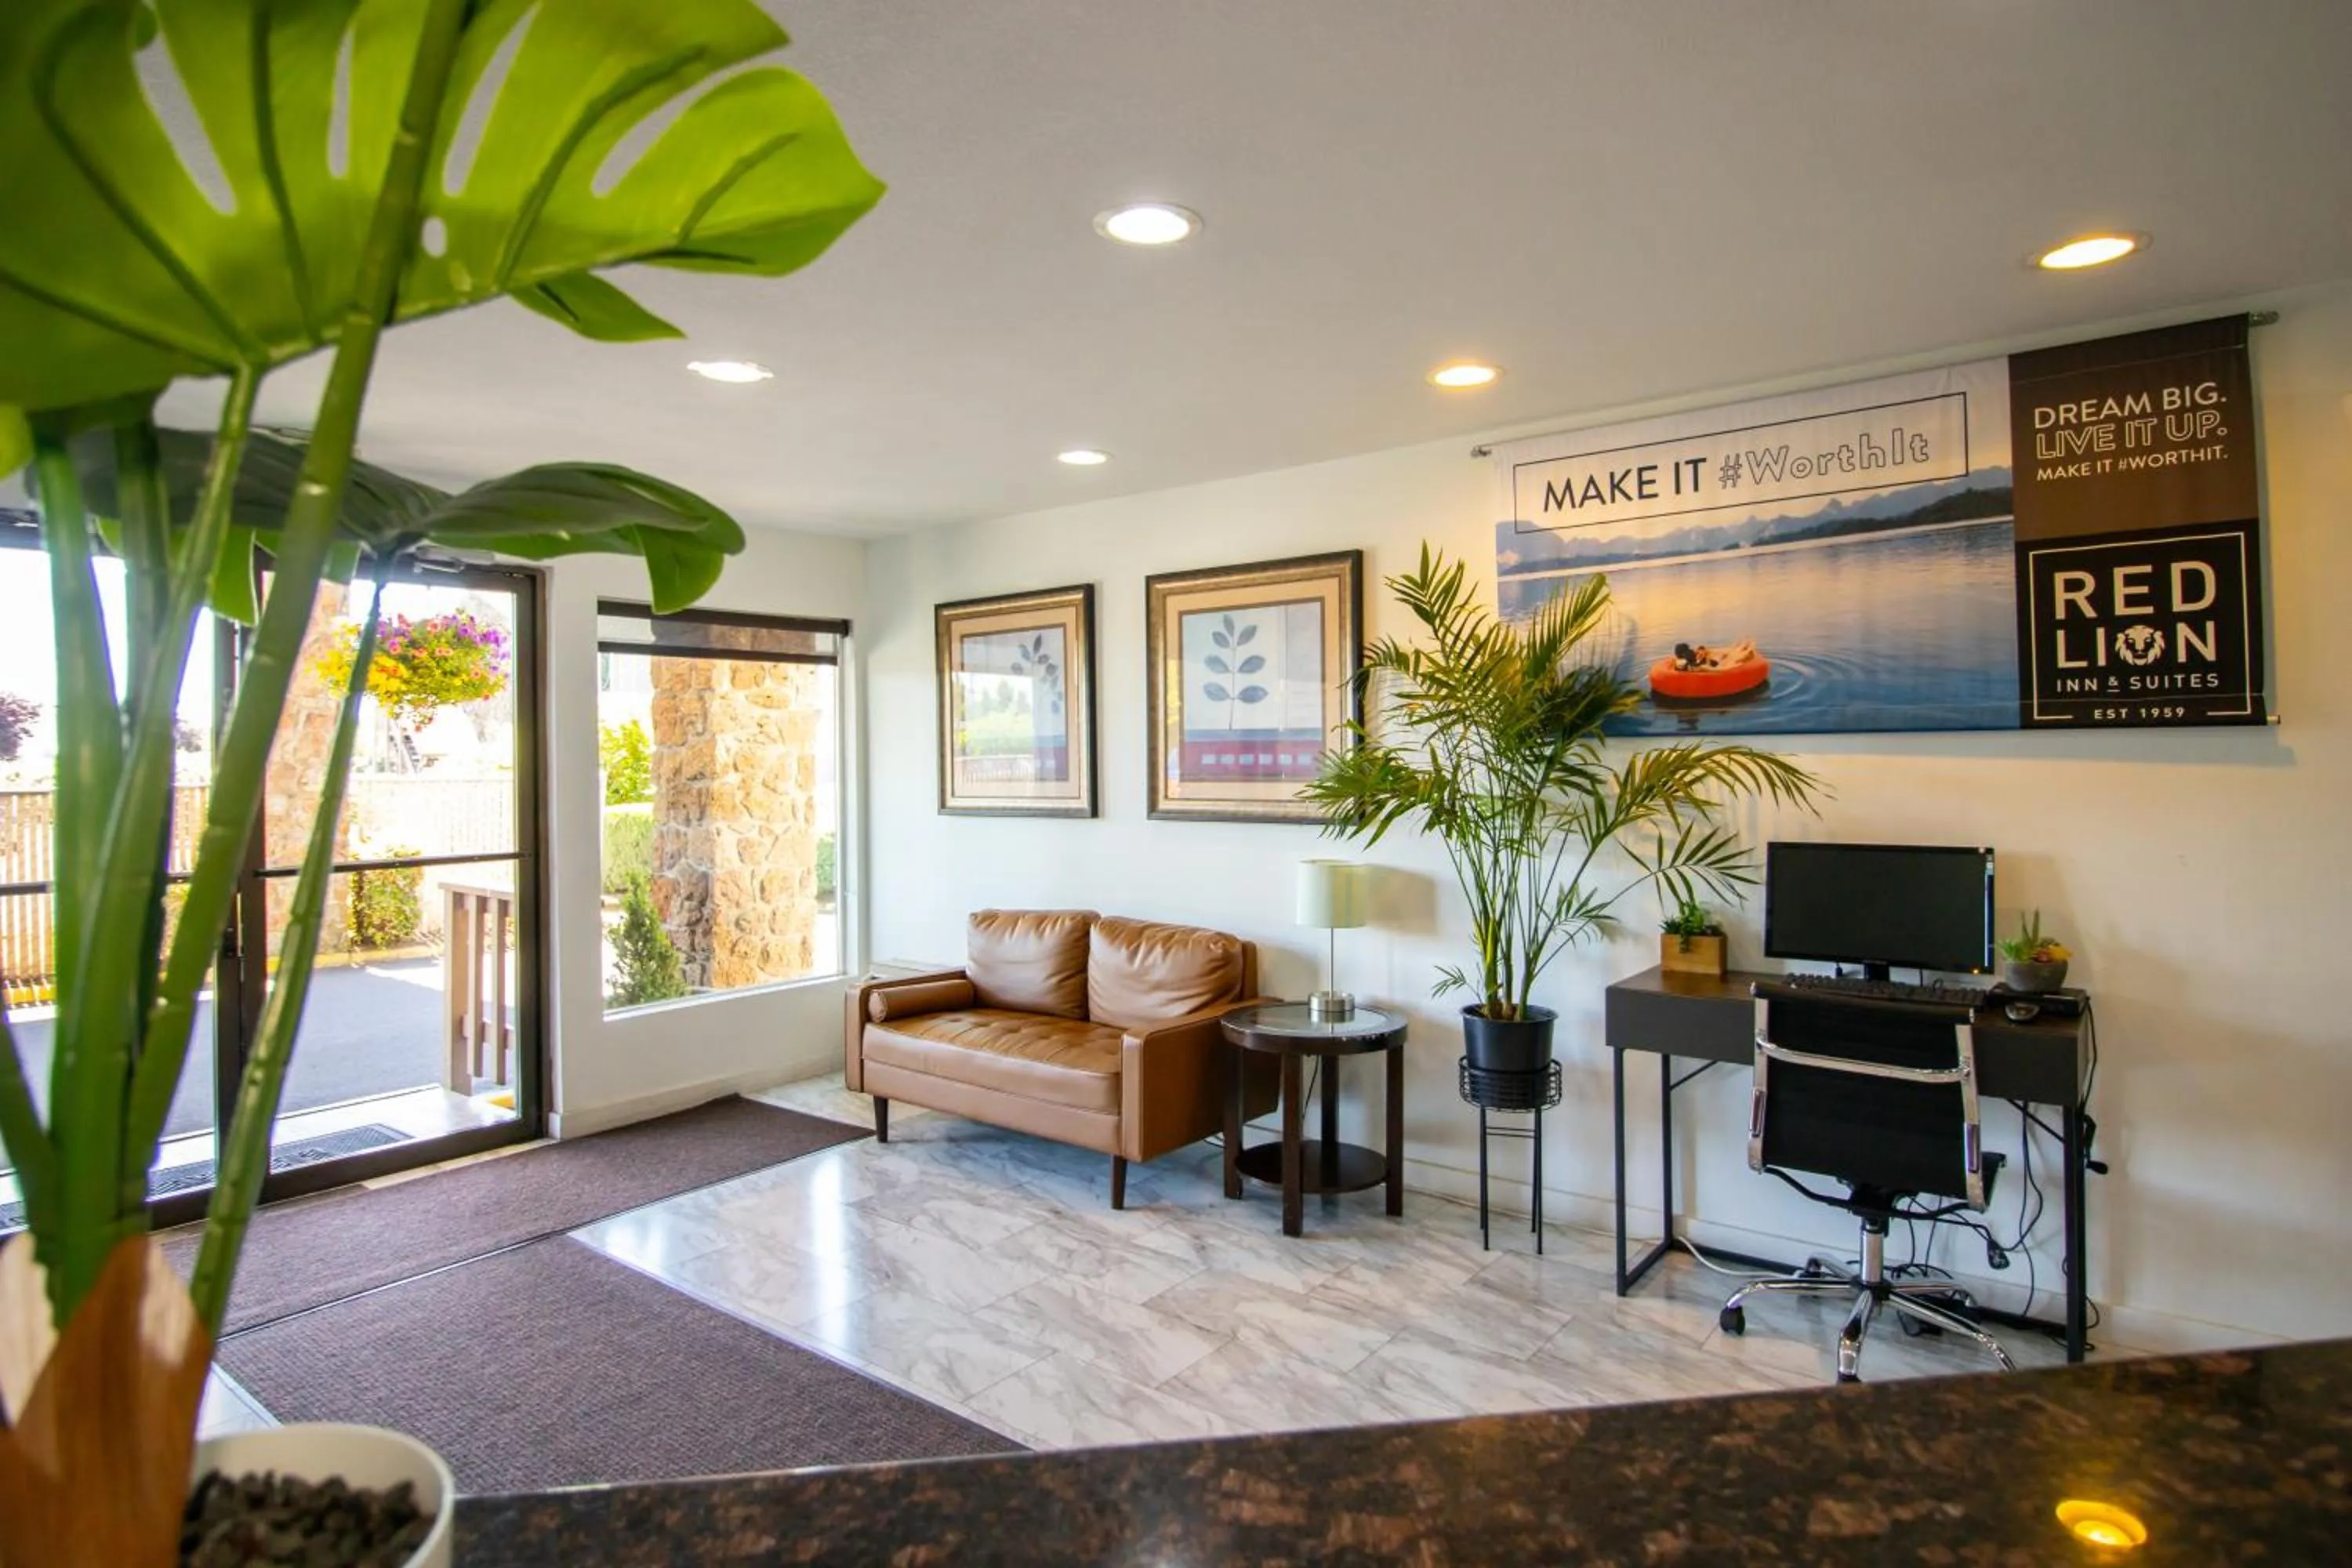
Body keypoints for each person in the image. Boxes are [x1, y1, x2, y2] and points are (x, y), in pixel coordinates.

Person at [1671, 638, 1757, 670]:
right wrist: (1705, 658)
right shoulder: (1695, 665)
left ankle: (1739, 650)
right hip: (1715, 667)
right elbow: (1718, 670)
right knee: (1729, 661)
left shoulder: (1684, 662)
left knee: (1723, 657)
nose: (1691, 651)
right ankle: (1742, 652)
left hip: (1711, 665)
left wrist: (1702, 655)